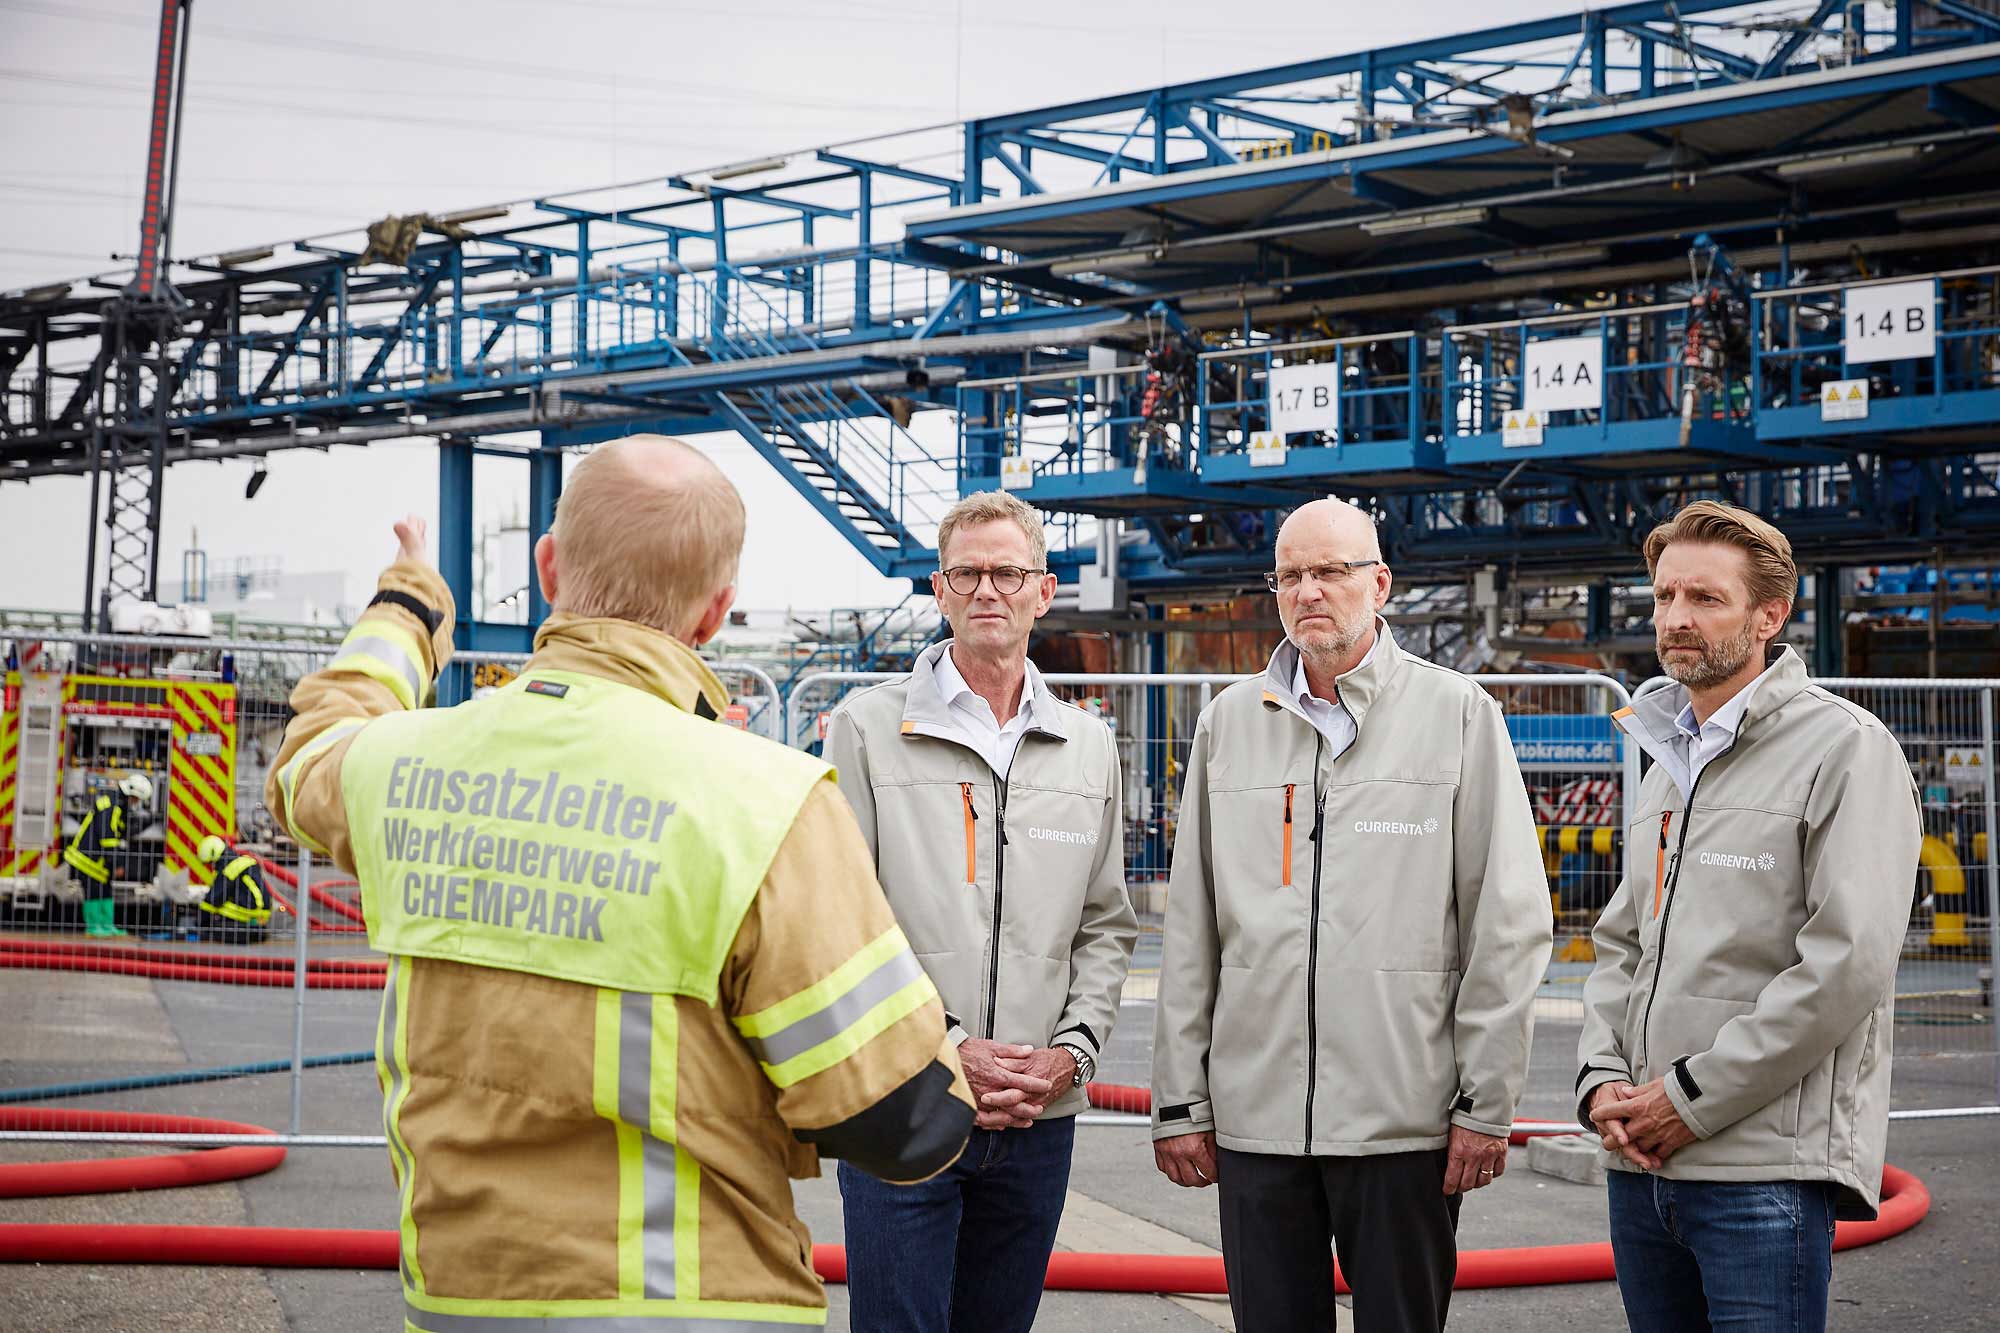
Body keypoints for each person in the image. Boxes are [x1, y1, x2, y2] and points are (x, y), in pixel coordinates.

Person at [264, 435, 974, 1332]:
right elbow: (901, 1120)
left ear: (549, 567)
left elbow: (313, 752)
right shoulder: (763, 802)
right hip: (693, 1306)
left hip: (455, 1301)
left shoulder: (400, 766)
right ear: (716, 613)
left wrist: (407, 603)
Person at [1150, 497, 1552, 1333]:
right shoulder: (1230, 725)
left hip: (1402, 1123)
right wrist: (1181, 1101)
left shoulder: (1458, 715)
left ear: (1380, 582)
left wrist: (1485, 1101)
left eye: (1330, 570)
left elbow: (1505, 922)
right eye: (1290, 574)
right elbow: (1192, 929)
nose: (1308, 592)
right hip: (1257, 1126)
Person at [1578, 500, 1920, 1333]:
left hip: (1758, 1171)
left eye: (1704, 598)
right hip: (1641, 1163)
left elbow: (1845, 968)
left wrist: (1686, 1100)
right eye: (1663, 597)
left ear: (1771, 615)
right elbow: (1623, 941)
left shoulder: (1845, 749)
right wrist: (1601, 1082)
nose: (1675, 619)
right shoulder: (1668, 757)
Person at [823, 489, 1136, 1333]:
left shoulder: (1088, 745)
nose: (987, 590)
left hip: (1038, 1114)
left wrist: (1072, 1054)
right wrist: (951, 1043)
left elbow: (1106, 924)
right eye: (967, 573)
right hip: (908, 1101)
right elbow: (844, 920)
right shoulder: (864, 730)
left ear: (1045, 588)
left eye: (1007, 571)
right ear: (939, 587)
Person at [65, 772, 151, 938]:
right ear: (131, 794)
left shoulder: (118, 805)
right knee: (93, 890)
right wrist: (117, 863)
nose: (136, 803)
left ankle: (106, 925)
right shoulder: (110, 805)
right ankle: (93, 926)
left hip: (98, 859)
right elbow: (107, 837)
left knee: (105, 889)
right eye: (136, 799)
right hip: (86, 857)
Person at [194, 835, 272, 942]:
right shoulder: (241, 861)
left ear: (214, 854)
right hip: (262, 911)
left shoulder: (230, 868)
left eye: (211, 862)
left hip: (253, 909)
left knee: (218, 906)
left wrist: (200, 924)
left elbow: (214, 899)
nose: (212, 866)